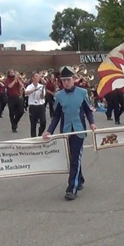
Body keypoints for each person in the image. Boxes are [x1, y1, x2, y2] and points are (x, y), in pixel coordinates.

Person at [42, 66, 97, 201]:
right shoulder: (59, 96)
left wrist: (92, 123)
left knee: (75, 158)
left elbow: (88, 110)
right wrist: (49, 130)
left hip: (79, 130)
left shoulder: (82, 92)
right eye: (64, 80)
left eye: (68, 80)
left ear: (74, 80)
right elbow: (56, 116)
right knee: (72, 157)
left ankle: (71, 188)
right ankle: (80, 179)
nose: (66, 82)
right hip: (66, 131)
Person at [24, 72, 47, 138]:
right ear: (32, 78)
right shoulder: (29, 86)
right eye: (36, 76)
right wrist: (33, 90)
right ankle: (33, 138)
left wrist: (42, 92)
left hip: (40, 105)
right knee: (33, 123)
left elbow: (42, 97)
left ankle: (40, 133)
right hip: (33, 106)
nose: (38, 77)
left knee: (43, 122)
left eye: (38, 76)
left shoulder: (41, 86)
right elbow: (26, 93)